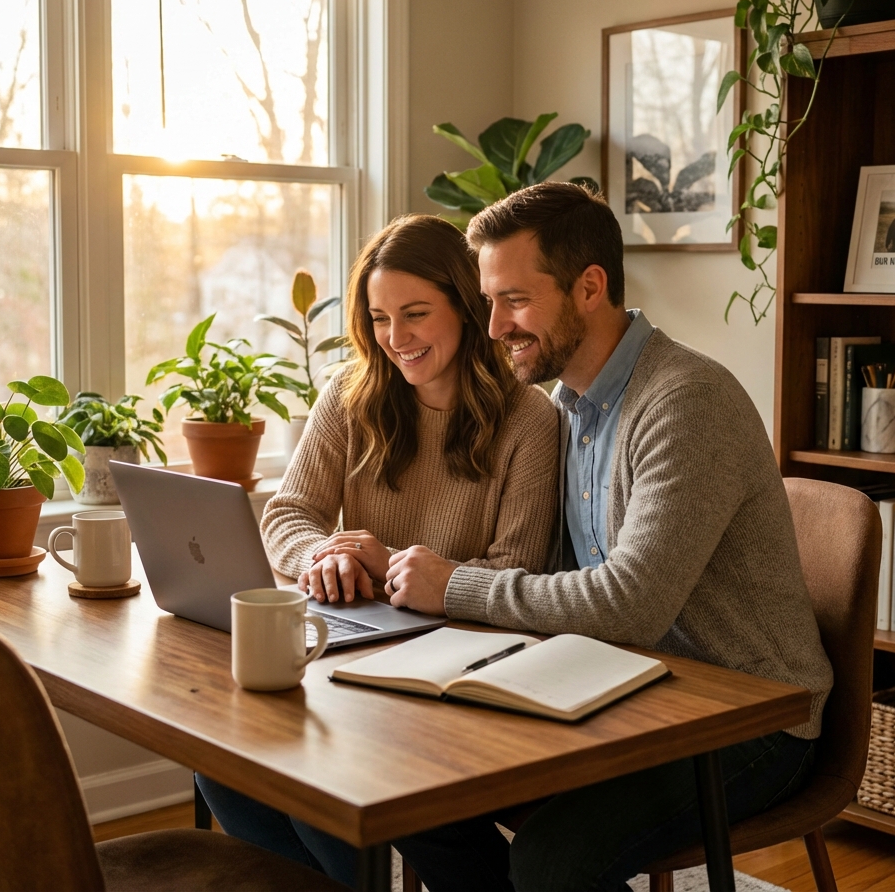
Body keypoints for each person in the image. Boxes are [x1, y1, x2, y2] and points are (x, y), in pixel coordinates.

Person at [385, 182, 834, 892]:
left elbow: (630, 605)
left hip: (748, 719)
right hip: (627, 693)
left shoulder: (686, 400)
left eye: (516, 300)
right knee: (411, 789)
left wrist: (456, 586)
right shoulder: (558, 408)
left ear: (590, 287)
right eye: (490, 300)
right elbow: (557, 575)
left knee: (550, 859)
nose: (494, 326)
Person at [195, 213, 559, 886]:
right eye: (380, 318)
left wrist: (386, 561)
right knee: (225, 762)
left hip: (461, 667)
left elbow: (517, 574)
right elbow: (289, 513)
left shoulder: (530, 419)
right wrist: (323, 557)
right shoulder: (349, 393)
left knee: (323, 780)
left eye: (415, 313)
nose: (396, 338)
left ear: (467, 304)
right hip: (358, 649)